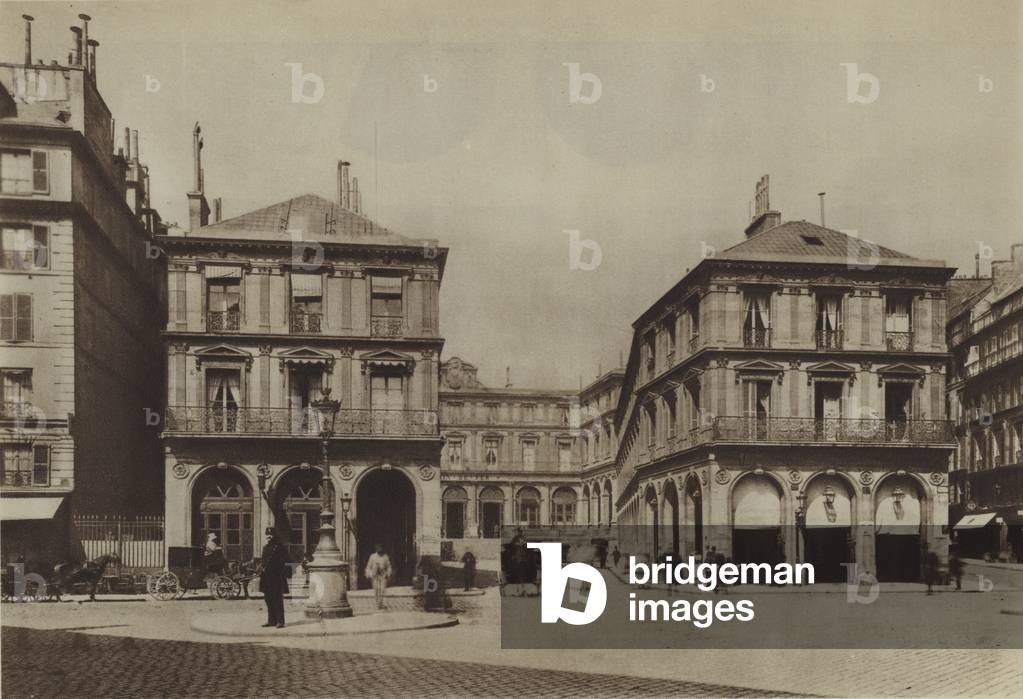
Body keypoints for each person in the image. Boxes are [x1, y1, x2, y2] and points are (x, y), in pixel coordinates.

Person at [258, 528, 290, 628]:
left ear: (274, 535)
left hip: (277, 577)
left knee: (277, 599)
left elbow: (287, 560)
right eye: (267, 535)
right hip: (266, 577)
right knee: (268, 599)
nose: (268, 537)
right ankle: (271, 621)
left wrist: (282, 572)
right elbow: (263, 562)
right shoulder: (265, 547)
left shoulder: (280, 547)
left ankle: (280, 621)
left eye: (270, 535)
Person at [365, 543, 392, 609]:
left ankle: (381, 603)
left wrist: (388, 574)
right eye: (377, 547)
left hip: (383, 576)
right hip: (375, 576)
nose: (379, 549)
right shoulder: (372, 556)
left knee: (382, 590)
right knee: (376, 590)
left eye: (380, 547)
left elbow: (389, 567)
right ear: (376, 548)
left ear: (382, 548)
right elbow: (368, 567)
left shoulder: (385, 557)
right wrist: (370, 573)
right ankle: (378, 604)